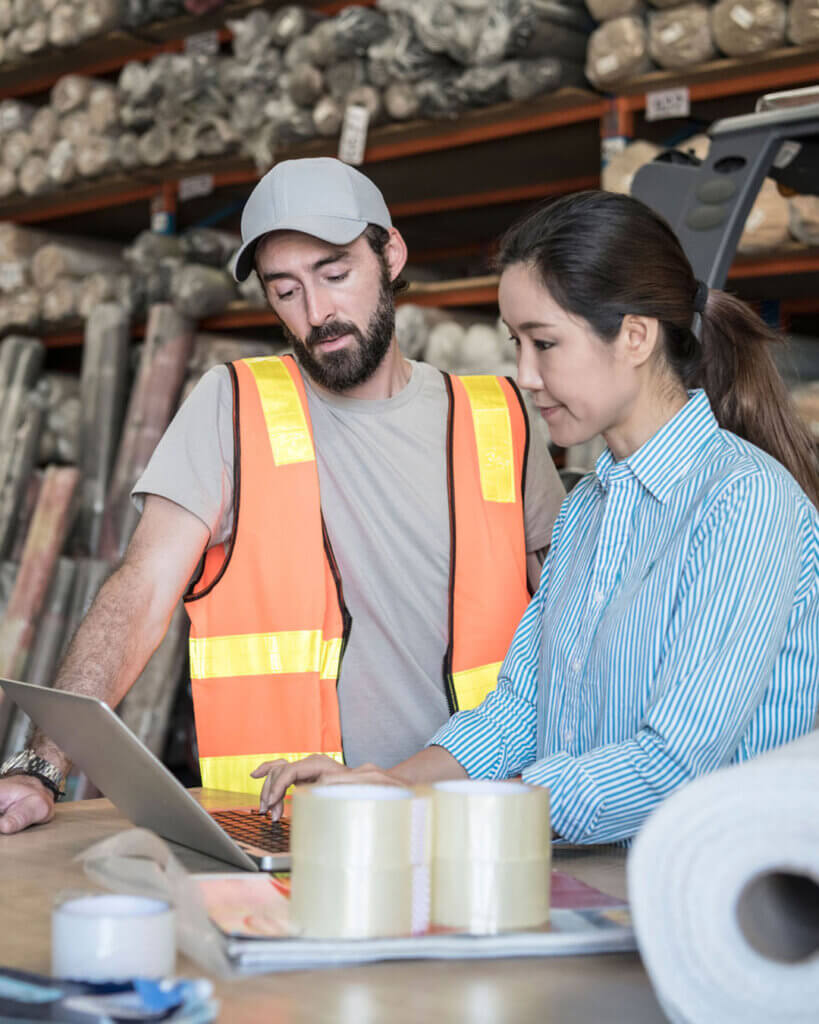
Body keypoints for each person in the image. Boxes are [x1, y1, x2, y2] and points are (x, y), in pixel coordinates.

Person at [0, 157, 564, 834]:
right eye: (285, 290)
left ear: (389, 252)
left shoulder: (499, 417)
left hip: (476, 818)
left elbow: (572, 625)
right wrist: (42, 763)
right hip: (285, 829)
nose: (317, 312)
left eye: (334, 274)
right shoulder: (232, 405)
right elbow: (141, 591)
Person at [256, 189, 819, 845]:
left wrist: (449, 814)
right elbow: (521, 710)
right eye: (514, 342)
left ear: (634, 336)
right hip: (597, 875)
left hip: (720, 894)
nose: (523, 374)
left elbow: (673, 764)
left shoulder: (740, 502)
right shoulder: (587, 509)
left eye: (543, 343)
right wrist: (391, 786)